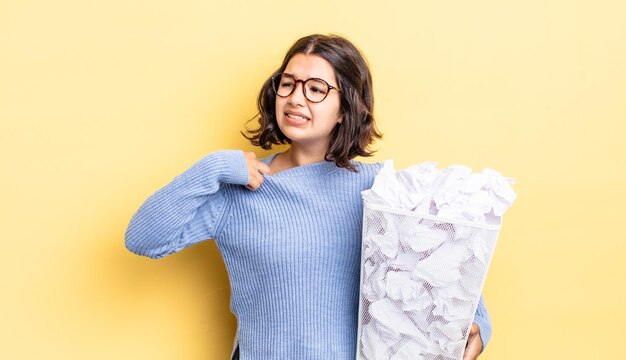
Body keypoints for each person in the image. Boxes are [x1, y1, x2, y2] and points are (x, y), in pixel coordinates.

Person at [125, 34, 491, 360]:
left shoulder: (383, 188)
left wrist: (477, 323)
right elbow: (142, 238)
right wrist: (213, 167)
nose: (296, 98)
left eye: (316, 89)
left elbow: (448, 268)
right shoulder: (240, 187)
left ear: (345, 107)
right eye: (288, 84)